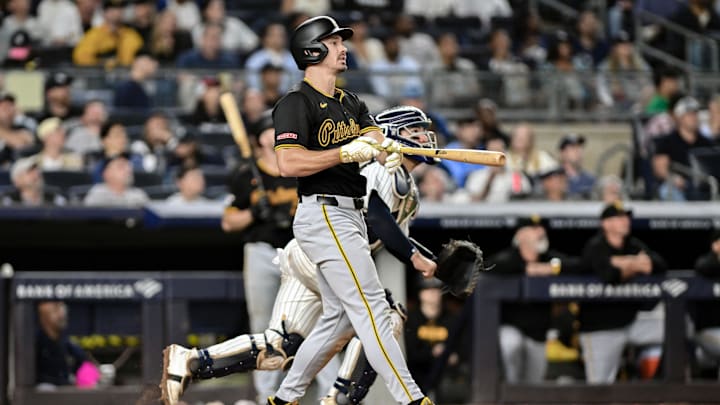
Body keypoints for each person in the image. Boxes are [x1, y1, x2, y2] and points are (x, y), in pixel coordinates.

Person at [160, 104, 441, 405]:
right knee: (380, 312)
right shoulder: (378, 166)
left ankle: (189, 363)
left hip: (318, 255)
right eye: (415, 131)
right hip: (324, 250)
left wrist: (436, 265)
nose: (424, 137)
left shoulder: (408, 188)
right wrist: (413, 256)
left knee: (280, 346)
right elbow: (376, 216)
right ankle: (344, 399)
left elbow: (396, 239)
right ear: (389, 135)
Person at [268, 15, 434, 404]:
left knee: (339, 319)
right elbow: (288, 164)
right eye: (334, 42)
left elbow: (373, 134)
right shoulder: (295, 103)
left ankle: (284, 399)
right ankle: (413, 399)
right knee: (374, 310)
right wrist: (342, 152)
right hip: (322, 211)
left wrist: (386, 149)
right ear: (312, 50)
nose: (343, 48)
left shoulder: (350, 101)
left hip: (350, 215)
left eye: (341, 41)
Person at [578, 201, 667, 383]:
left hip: (631, 322)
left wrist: (624, 262)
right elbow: (610, 275)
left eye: (626, 217)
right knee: (598, 387)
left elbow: (659, 264)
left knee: (679, 326)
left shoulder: (632, 244)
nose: (625, 221)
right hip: (600, 327)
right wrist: (636, 264)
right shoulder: (595, 246)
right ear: (606, 223)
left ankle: (660, 386)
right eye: (619, 218)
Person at [489, 215, 580, 383]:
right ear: (521, 235)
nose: (541, 232)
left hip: (538, 333)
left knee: (534, 384)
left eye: (541, 228)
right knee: (511, 344)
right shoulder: (510, 258)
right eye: (534, 229)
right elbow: (491, 267)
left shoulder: (548, 258)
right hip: (512, 327)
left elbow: (578, 265)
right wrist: (525, 268)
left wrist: (550, 268)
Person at [36, 301, 94, 387]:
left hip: (66, 391)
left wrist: (90, 379)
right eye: (55, 311)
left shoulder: (65, 342)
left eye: (62, 311)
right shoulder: (36, 342)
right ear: (43, 317)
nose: (61, 316)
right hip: (43, 393)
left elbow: (84, 361)